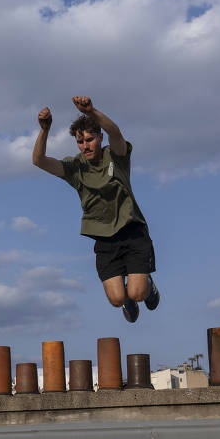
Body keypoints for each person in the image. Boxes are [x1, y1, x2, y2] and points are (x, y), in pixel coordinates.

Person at [32, 96, 159, 322]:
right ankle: (127, 296)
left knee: (138, 292)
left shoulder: (116, 156)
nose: (85, 145)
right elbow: (39, 160)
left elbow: (115, 131)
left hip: (132, 232)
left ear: (99, 138)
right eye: (81, 142)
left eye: (90, 140)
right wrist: (45, 129)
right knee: (118, 299)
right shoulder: (75, 167)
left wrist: (92, 112)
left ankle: (146, 283)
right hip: (104, 239)